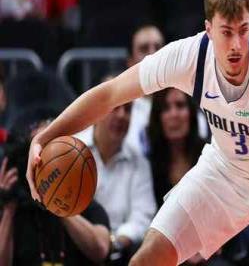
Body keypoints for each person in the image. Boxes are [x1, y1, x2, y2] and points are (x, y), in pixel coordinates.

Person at [27, 0, 249, 266]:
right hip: (223, 174)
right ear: (208, 30)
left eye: (244, 30)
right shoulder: (189, 57)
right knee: (146, 259)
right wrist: (44, 137)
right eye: (227, 32)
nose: (237, 45)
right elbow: (109, 95)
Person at [0, 119, 110, 265]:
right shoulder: (14, 207)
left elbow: (101, 250)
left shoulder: (80, 198)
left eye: (51, 152)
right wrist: (8, 207)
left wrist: (57, 202)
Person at [76, 84, 157, 263]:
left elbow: (142, 217)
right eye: (115, 107)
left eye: (128, 109)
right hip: (75, 246)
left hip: (118, 253)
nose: (121, 116)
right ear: (95, 112)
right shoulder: (72, 151)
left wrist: (113, 242)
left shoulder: (139, 162)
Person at [125, 24, 166, 155]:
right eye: (144, 49)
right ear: (130, 62)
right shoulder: (121, 110)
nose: (153, 54)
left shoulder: (183, 106)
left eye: (158, 47)